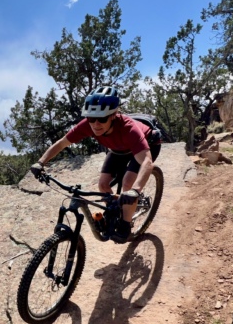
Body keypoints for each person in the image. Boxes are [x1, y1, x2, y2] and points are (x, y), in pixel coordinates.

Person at [30, 86, 161, 244]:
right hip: (118, 149)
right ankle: (114, 214)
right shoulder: (87, 125)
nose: (96, 124)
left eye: (102, 119)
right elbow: (62, 143)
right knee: (103, 185)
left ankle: (126, 226)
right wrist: (41, 162)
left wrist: (136, 190)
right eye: (91, 118)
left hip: (146, 147)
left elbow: (146, 162)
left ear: (113, 115)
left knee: (128, 183)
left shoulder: (128, 128)